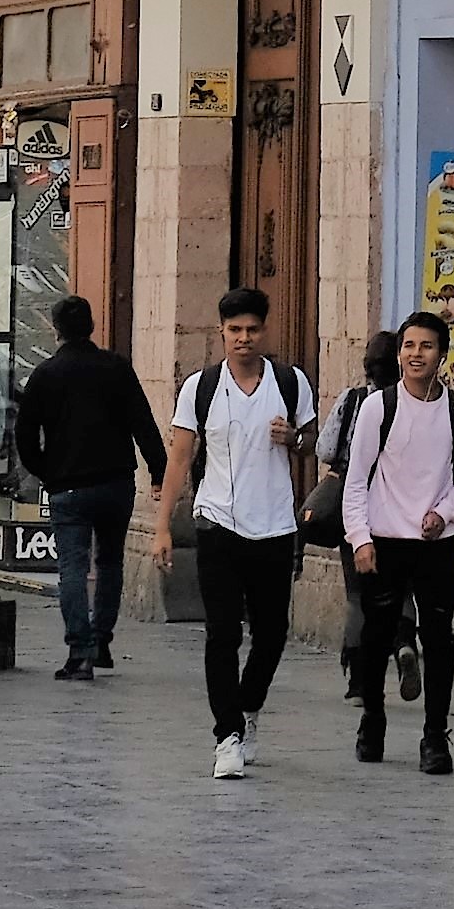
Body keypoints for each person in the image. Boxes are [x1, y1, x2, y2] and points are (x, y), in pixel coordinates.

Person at [160, 287, 315, 775]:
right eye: (234, 331)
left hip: (273, 526)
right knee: (222, 633)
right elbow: (180, 457)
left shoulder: (289, 382)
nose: (243, 339)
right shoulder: (200, 388)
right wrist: (162, 525)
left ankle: (247, 709)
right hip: (218, 524)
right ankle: (226, 734)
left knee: (271, 633)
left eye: (251, 330)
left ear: (264, 332)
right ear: (221, 333)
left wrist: (293, 439)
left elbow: (314, 443)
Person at [330, 306, 454, 772]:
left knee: (439, 641)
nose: (417, 355)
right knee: (376, 637)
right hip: (385, 540)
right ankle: (373, 721)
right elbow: (355, 479)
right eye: (409, 346)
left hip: (436, 544)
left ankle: (435, 738)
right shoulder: (380, 407)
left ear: (442, 354)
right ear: (398, 354)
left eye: (427, 346)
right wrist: (360, 538)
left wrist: (444, 512)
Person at [10, 293, 166, 679]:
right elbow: (142, 422)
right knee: (110, 561)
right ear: (92, 326)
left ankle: (80, 650)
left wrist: (46, 470)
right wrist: (159, 472)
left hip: (69, 485)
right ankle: (102, 640)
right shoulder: (115, 367)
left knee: (73, 568)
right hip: (115, 481)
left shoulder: (46, 374)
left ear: (56, 329)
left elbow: (25, 435)